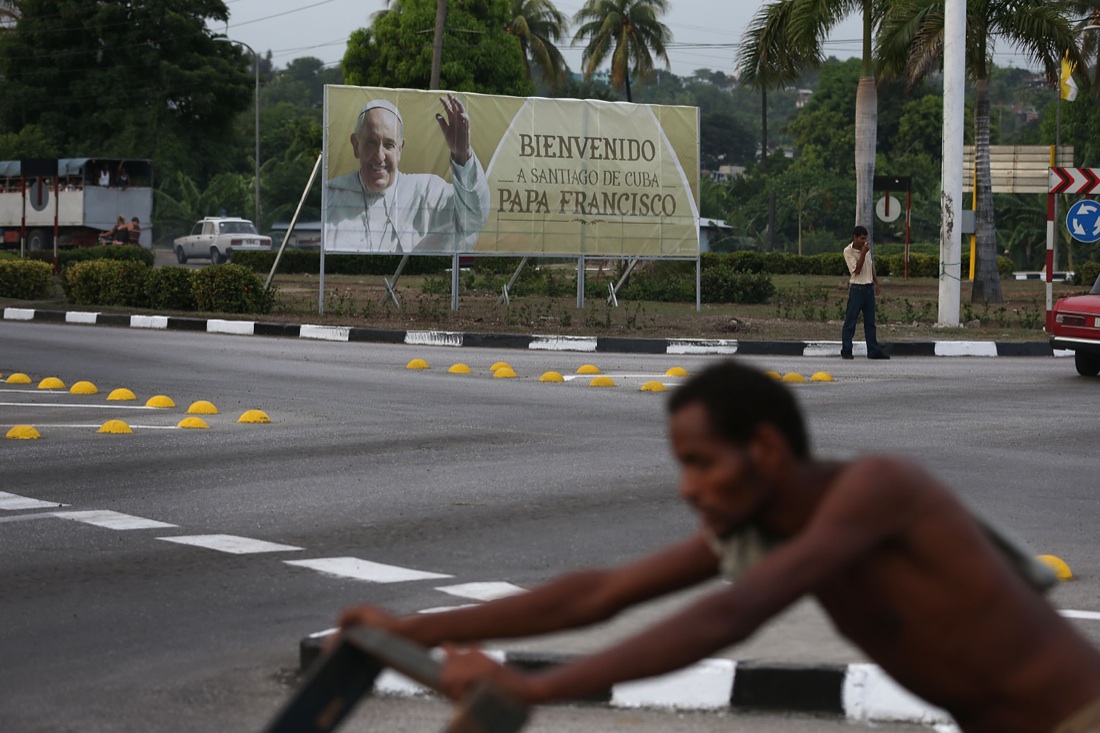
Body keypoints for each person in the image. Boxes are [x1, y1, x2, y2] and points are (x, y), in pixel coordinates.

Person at [336, 360, 1100, 733]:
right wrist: (414, 629)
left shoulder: (875, 491)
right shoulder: (769, 526)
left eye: (700, 463)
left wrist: (534, 688)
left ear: (764, 450)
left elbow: (734, 613)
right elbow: (601, 592)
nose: (687, 489)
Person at [324, 95, 490, 253]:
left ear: (400, 149)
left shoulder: (428, 192)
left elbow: (473, 218)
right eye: (371, 143)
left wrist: (462, 154)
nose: (380, 156)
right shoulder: (331, 195)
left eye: (389, 145)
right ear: (356, 145)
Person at [841, 225, 889, 359]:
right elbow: (856, 270)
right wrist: (862, 253)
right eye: (861, 238)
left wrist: (876, 283)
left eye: (865, 238)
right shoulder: (848, 251)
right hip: (857, 288)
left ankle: (873, 351)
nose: (864, 241)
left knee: (870, 322)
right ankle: (846, 350)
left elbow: (870, 266)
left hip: (868, 288)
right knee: (851, 321)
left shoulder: (866, 249)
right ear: (855, 237)